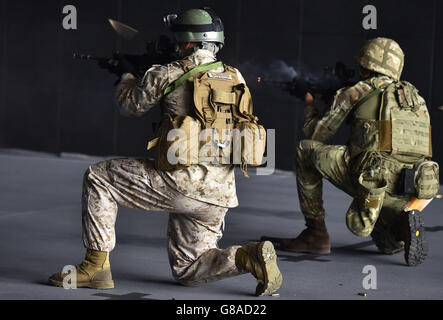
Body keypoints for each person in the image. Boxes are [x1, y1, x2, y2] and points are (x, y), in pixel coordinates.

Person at [48, 7, 282, 296]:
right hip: (220, 194)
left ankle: (95, 267)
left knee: (99, 177)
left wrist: (126, 75)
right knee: (189, 270)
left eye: (178, 40)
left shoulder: (167, 73)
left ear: (185, 42)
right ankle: (249, 256)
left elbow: (130, 105)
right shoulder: (235, 76)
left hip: (179, 183)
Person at [264, 38, 439, 267]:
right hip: (413, 187)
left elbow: (316, 134)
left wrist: (309, 102)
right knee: (386, 245)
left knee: (305, 151)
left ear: (366, 66)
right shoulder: (416, 99)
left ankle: (315, 234)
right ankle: (400, 231)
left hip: (373, 177)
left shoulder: (359, 90)